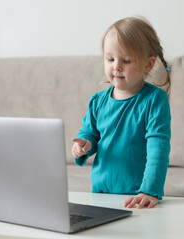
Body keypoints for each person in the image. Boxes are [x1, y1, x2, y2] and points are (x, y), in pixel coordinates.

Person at [71, 16, 171, 209]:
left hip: (139, 195)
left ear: (148, 65)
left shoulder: (154, 100)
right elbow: (90, 133)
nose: (116, 66)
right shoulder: (98, 101)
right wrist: (84, 143)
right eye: (110, 59)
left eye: (126, 60)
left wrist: (150, 191)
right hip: (101, 193)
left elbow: (159, 148)